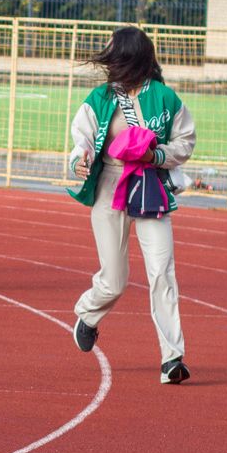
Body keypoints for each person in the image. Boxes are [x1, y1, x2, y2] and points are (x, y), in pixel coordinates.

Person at [68, 26, 196, 384]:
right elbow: (82, 139)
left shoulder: (167, 98)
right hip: (110, 184)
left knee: (162, 272)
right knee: (114, 280)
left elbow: (185, 141)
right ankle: (88, 313)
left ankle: (172, 359)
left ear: (132, 57)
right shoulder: (99, 98)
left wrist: (160, 154)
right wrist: (78, 159)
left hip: (150, 184)